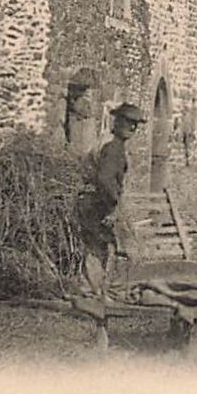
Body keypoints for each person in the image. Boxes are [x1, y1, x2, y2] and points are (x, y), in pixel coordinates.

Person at [74, 102, 145, 345]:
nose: (132, 127)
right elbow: (104, 179)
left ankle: (92, 293)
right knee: (119, 246)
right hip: (99, 203)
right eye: (128, 122)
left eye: (136, 124)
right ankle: (101, 295)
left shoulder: (106, 142)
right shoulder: (113, 148)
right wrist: (113, 205)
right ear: (117, 122)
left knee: (95, 248)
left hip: (91, 202)